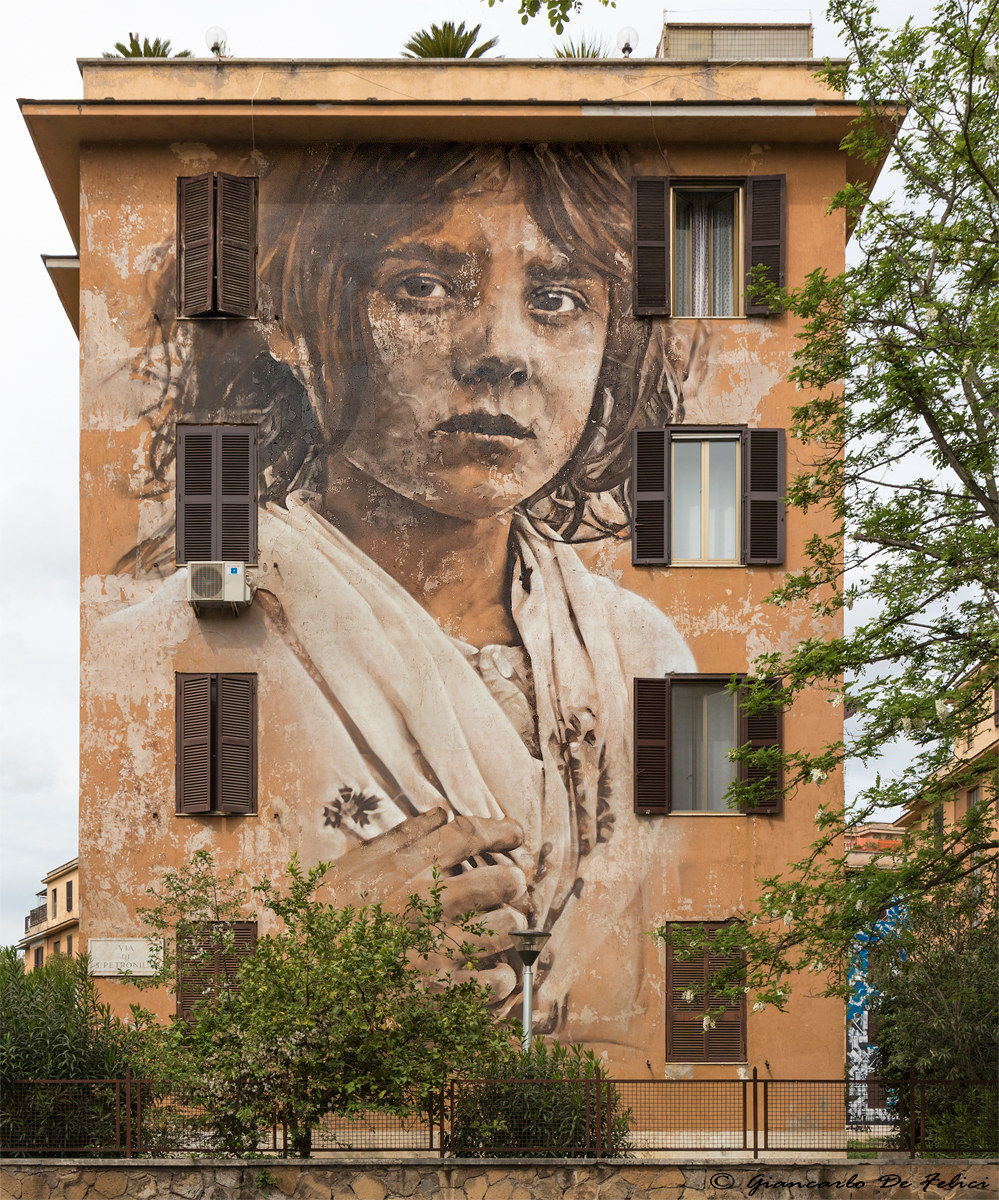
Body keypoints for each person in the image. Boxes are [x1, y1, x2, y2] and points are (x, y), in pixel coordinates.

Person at [115, 144, 697, 1061]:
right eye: (423, 287)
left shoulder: (645, 658)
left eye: (557, 300)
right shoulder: (157, 657)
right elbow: (141, 960)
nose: (502, 352)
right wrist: (316, 963)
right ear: (292, 326)